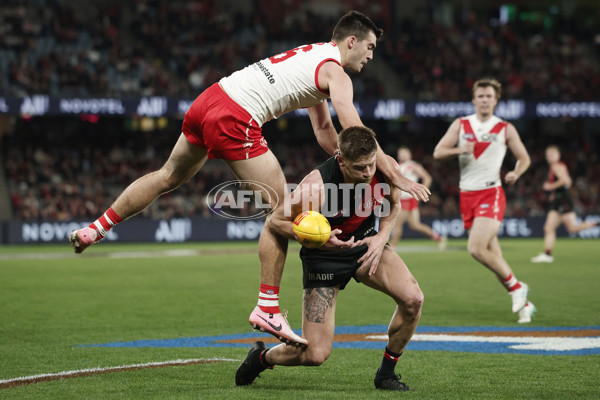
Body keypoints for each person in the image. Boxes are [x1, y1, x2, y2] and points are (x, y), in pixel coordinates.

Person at [68, 11, 430, 348]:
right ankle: (267, 307)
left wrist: (344, 162)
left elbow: (324, 130)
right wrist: (392, 172)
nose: (370, 56)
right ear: (351, 41)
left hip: (210, 100)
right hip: (236, 117)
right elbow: (352, 124)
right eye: (369, 47)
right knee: (283, 216)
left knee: (167, 176)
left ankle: (96, 228)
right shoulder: (336, 72)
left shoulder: (311, 60)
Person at [235, 126, 423, 392]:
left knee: (413, 299)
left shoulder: (385, 167)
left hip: (364, 244)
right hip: (323, 257)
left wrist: (382, 237)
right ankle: (262, 357)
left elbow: (395, 203)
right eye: (360, 168)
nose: (368, 173)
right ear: (341, 160)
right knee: (315, 354)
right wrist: (319, 239)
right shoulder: (317, 185)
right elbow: (276, 221)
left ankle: (386, 374)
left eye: (370, 164)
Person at [433, 78, 535, 324]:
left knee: (476, 248)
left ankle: (518, 287)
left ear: (496, 100)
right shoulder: (461, 124)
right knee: (495, 256)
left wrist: (516, 173)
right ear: (474, 100)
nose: (485, 100)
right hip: (466, 195)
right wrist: (460, 150)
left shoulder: (505, 128)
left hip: (491, 193)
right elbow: (438, 152)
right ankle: (525, 304)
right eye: (481, 96)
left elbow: (524, 158)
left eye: (489, 96)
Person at [531, 145, 598, 263]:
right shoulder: (556, 167)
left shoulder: (557, 166)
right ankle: (547, 254)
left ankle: (596, 224)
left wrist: (550, 186)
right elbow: (566, 181)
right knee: (549, 228)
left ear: (558, 155)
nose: (549, 157)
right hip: (558, 200)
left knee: (571, 229)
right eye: (547, 155)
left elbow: (566, 181)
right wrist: (553, 193)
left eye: (552, 154)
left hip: (563, 200)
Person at [390, 146, 447, 250]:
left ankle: (393, 246)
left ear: (409, 155)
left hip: (407, 198)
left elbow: (427, 178)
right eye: (401, 153)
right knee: (415, 225)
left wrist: (421, 192)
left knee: (397, 224)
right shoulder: (397, 166)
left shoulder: (413, 166)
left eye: (404, 153)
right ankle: (438, 237)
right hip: (407, 199)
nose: (402, 155)